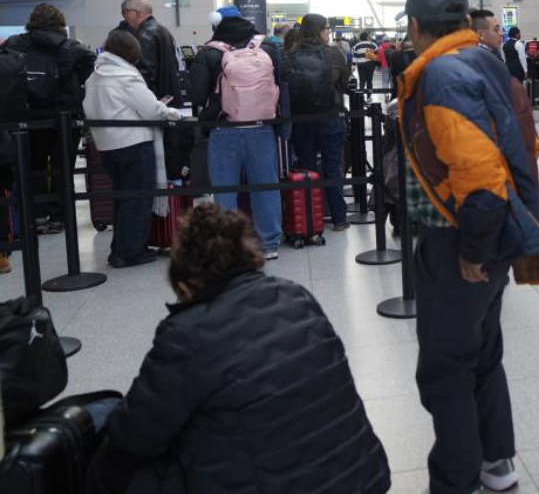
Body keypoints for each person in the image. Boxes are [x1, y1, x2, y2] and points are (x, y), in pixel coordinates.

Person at [87, 202, 390, 494]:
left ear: (187, 281)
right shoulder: (296, 295)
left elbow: (134, 434)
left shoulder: (186, 335)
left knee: (108, 462)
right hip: (362, 477)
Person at [398, 0, 539, 494]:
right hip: (499, 231)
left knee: (445, 370)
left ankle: (456, 480)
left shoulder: (441, 74)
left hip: (459, 241)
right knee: (483, 355)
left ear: (416, 27)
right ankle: (497, 464)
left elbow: (479, 176)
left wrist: (473, 251)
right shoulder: (486, 60)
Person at [191, 5, 287, 257]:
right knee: (265, 185)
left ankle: (230, 245)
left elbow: (197, 94)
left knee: (225, 189)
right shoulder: (268, 47)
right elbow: (284, 85)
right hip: (262, 126)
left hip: (224, 127)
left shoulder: (210, 52)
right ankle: (269, 244)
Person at [83, 29, 180, 268]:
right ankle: (131, 252)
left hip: (107, 145)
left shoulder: (95, 75)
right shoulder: (126, 75)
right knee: (138, 197)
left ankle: (120, 247)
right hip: (133, 142)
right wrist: (171, 112)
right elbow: (151, 110)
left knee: (122, 197)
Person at [3, 4, 95, 233]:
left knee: (31, 166)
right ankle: (58, 216)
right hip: (63, 115)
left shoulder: (16, 43)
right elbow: (91, 67)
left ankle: (35, 216)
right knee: (62, 166)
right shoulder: (73, 47)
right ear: (60, 22)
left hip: (28, 115)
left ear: (32, 21)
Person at [284, 14, 352, 232]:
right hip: (330, 116)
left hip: (301, 119)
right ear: (319, 30)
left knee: (307, 168)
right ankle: (339, 218)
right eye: (327, 29)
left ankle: (311, 219)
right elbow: (344, 81)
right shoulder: (333, 53)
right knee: (333, 166)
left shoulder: (289, 54)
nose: (328, 33)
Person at [118, 0, 183, 104]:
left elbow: (145, 73)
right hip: (168, 96)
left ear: (135, 13)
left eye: (126, 11)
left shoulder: (144, 35)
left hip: (155, 100)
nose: (125, 16)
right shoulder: (162, 30)